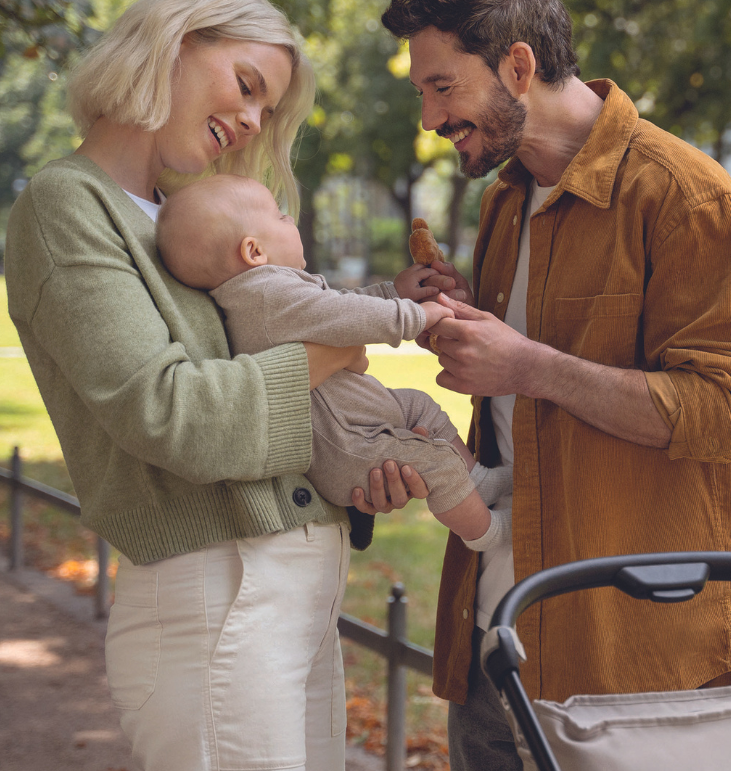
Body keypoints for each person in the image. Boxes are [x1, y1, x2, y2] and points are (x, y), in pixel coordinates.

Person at [4, 0, 427, 771]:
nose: (248, 121)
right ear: (172, 42)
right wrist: (334, 350)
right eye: (243, 83)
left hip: (283, 597)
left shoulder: (178, 216)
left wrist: (349, 478)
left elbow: (254, 404)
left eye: (265, 108)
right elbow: (170, 414)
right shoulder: (69, 208)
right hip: (212, 600)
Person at [381, 0, 731, 771]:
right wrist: (472, 314)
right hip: (502, 607)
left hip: (626, 638)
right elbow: (533, 388)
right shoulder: (513, 200)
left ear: (517, 64)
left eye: (443, 88)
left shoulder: (685, 196)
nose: (433, 118)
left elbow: (720, 413)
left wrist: (532, 366)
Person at [155, 173, 512, 548]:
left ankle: (478, 480)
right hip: (347, 443)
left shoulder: (267, 292)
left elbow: (334, 309)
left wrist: (394, 291)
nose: (291, 219)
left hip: (356, 416)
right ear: (253, 251)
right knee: (433, 460)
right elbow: (343, 315)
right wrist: (417, 316)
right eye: (280, 216)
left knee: (418, 405)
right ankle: (487, 533)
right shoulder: (265, 296)